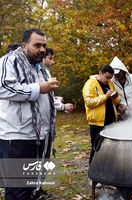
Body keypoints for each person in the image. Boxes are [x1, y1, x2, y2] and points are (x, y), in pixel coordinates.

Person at [0, 28, 59, 200]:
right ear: (24, 45)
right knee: (18, 190)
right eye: (37, 45)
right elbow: (3, 88)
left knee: (32, 185)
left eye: (44, 46)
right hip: (16, 138)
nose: (42, 49)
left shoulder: (41, 69)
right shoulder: (9, 61)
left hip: (39, 137)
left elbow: (44, 100)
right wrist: (37, 88)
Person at [82, 64, 120, 165]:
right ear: (100, 73)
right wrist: (105, 96)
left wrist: (116, 97)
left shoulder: (110, 84)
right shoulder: (90, 84)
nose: (108, 80)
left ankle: (107, 171)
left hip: (111, 121)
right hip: (97, 123)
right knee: (97, 148)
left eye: (110, 78)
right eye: (107, 77)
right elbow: (89, 102)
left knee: (110, 148)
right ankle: (93, 175)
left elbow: (116, 100)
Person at [109, 56, 132, 120]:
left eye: (118, 72)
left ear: (123, 70)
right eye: (114, 73)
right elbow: (110, 99)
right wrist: (117, 106)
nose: (116, 75)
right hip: (121, 116)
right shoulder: (111, 82)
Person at [42, 47, 73, 113]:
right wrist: (62, 106)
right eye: (50, 58)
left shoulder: (46, 72)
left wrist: (54, 98)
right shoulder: (42, 73)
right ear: (42, 58)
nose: (53, 62)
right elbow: (43, 97)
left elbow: (44, 95)